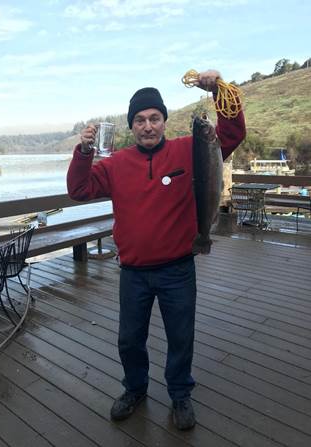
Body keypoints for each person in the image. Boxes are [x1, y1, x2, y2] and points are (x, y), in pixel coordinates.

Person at [67, 69, 246, 430]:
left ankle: (180, 394)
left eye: (154, 118)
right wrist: (84, 151)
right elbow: (79, 189)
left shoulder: (191, 148)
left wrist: (219, 90)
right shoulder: (116, 164)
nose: (148, 126)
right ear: (131, 125)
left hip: (177, 269)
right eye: (140, 120)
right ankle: (135, 389)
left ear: (164, 121)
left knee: (181, 336)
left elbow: (232, 133)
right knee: (130, 340)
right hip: (133, 272)